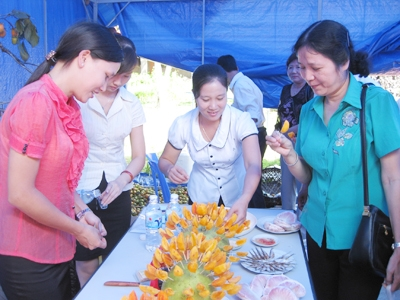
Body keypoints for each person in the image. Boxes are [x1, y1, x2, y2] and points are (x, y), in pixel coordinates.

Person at [266, 20, 400, 300]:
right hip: (317, 232)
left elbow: (393, 177)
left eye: (316, 68)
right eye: (303, 67)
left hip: (362, 236)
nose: (308, 76)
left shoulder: (375, 103)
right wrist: (290, 154)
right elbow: (310, 176)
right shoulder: (309, 111)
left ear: (343, 62)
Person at [0, 22, 123, 300]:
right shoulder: (35, 102)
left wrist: (82, 212)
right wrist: (79, 230)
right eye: (105, 75)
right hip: (28, 256)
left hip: (56, 247)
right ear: (83, 58)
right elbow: (20, 194)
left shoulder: (66, 105)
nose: (104, 86)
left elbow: (56, 182)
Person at [74, 33, 146, 286]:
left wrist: (122, 180)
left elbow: (139, 156)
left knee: (116, 257)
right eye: (115, 74)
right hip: (80, 189)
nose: (118, 81)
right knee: (85, 261)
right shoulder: (81, 97)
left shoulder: (131, 103)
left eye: (126, 76)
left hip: (118, 190)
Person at [158, 64, 261, 224]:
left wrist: (245, 198)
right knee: (201, 243)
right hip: (200, 198)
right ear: (195, 96)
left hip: (239, 195)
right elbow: (165, 160)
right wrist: (170, 169)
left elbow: (253, 165)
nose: (213, 106)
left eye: (220, 98)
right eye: (205, 99)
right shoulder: (183, 123)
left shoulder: (241, 120)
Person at [217, 54, 266, 208]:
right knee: (251, 175)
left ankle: (257, 213)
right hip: (256, 134)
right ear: (236, 67)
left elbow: (253, 116)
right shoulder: (244, 81)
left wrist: (240, 133)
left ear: (222, 73)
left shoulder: (240, 85)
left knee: (250, 176)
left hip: (252, 135)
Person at [275, 52, 314, 210]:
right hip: (284, 140)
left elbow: (311, 120)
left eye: (298, 67)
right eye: (290, 67)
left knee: (302, 180)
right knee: (286, 181)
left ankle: (303, 219)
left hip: (302, 141)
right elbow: (282, 115)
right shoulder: (285, 89)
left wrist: (290, 130)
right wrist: (278, 132)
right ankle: (286, 216)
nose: (294, 71)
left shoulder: (310, 90)